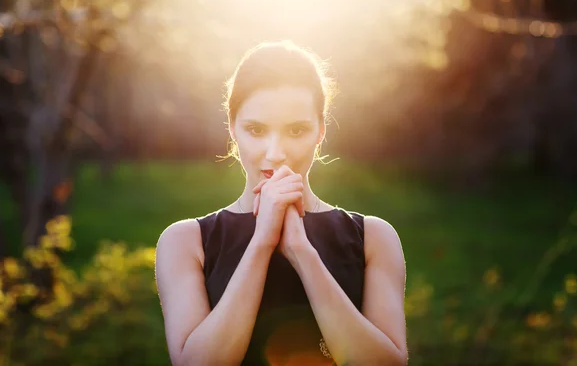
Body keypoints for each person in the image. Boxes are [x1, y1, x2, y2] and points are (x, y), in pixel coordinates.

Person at [155, 41, 408, 365]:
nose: (275, 153)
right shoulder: (185, 241)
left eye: (297, 130)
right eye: (256, 130)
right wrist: (262, 242)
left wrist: (302, 252)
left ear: (321, 131)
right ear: (233, 130)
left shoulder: (373, 237)